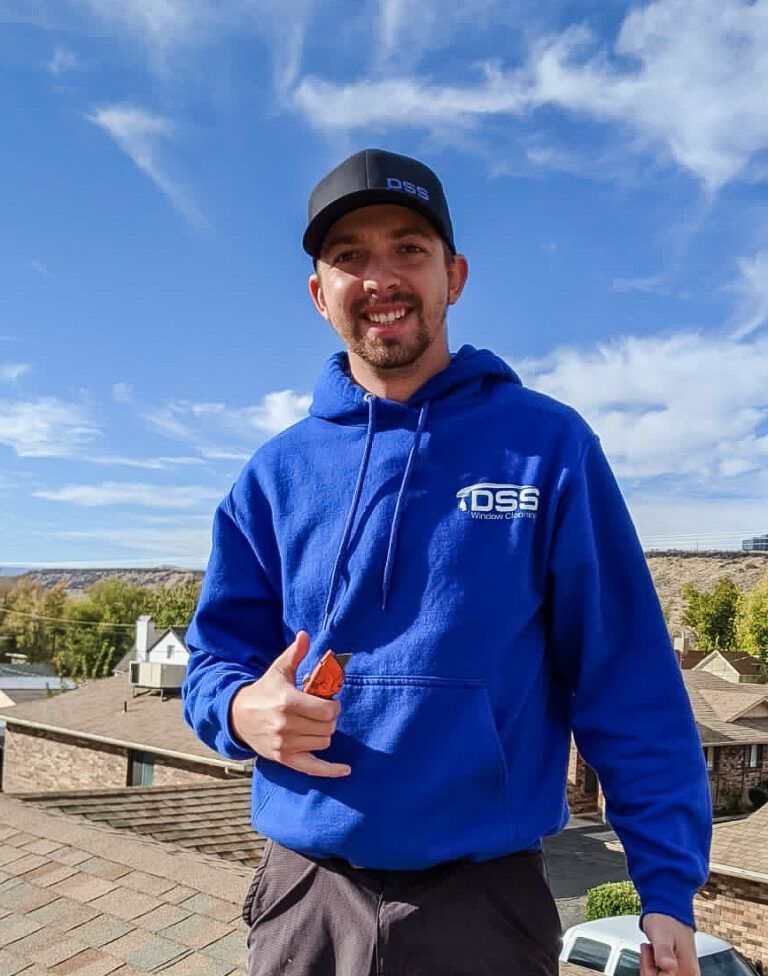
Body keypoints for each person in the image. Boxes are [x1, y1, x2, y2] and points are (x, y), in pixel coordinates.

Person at [182, 149, 712, 976]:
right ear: (319, 294)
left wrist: (665, 886)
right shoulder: (274, 475)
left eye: (408, 249)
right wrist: (241, 710)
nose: (380, 276)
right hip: (305, 898)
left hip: (487, 904)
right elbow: (213, 660)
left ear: (454, 276)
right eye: (349, 257)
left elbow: (625, 675)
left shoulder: (548, 447)